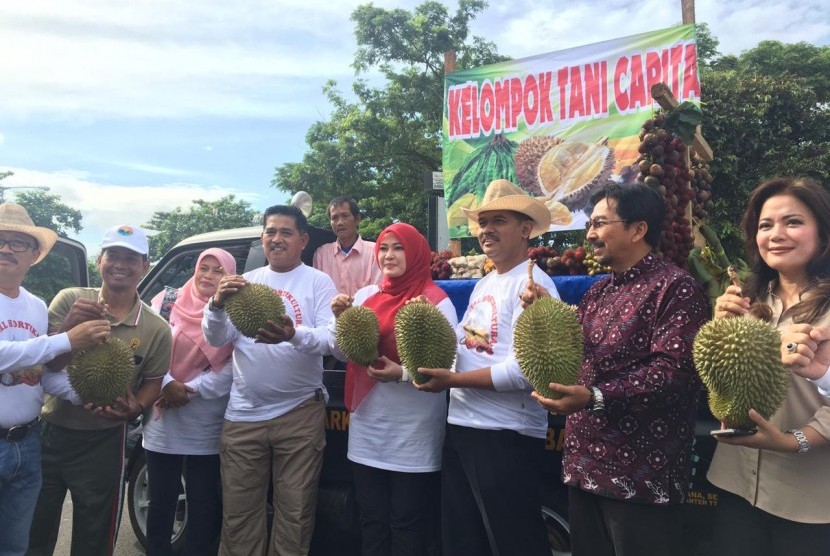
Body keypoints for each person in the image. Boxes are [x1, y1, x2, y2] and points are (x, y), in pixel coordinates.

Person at [532, 183, 709, 556]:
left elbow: (674, 371)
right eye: (590, 225)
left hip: (641, 476)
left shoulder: (675, 289)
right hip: (584, 466)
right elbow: (580, 349)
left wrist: (594, 396)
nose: (591, 234)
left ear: (637, 229)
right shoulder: (597, 293)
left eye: (599, 223)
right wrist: (549, 311)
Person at [414, 180, 557, 556]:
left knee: (514, 541)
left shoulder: (534, 286)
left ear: (526, 229)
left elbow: (527, 371)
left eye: (499, 220)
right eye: (482, 222)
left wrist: (454, 380)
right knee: (464, 541)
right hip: (463, 426)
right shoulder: (485, 283)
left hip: (505, 434)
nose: (486, 229)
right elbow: (469, 345)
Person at [198, 205, 337, 556]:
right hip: (243, 414)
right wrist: (215, 305)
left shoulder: (318, 282)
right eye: (270, 232)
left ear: (302, 240)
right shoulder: (247, 282)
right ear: (262, 238)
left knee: (296, 513)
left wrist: (293, 335)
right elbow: (217, 338)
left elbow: (331, 339)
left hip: (299, 413)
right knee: (239, 515)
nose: (277, 239)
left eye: (286, 232)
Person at [27, 225, 173, 556]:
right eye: (113, 255)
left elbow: (153, 381)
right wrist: (68, 330)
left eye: (131, 258)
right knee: (33, 528)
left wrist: (136, 407)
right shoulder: (69, 300)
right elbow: (45, 366)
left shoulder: (156, 328)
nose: (120, 264)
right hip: (49, 432)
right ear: (99, 260)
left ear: (145, 266)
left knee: (95, 536)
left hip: (105, 440)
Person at [707, 177, 830, 555]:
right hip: (734, 484)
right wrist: (718, 329)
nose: (776, 234)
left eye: (793, 222)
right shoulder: (746, 300)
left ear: (823, 233)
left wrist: (794, 442)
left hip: (808, 499)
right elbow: (718, 386)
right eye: (765, 225)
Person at [328, 222, 458, 556]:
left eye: (398, 247)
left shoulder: (436, 302)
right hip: (368, 431)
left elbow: (452, 366)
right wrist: (340, 319)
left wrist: (402, 372)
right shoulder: (366, 296)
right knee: (371, 521)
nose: (388, 255)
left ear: (415, 252)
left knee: (408, 524)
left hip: (413, 435)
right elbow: (342, 352)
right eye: (383, 248)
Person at [0, 203, 110, 556]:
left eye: (17, 242)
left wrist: (89, 396)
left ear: (34, 255)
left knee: (17, 545)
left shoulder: (35, 306)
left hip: (28, 445)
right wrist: (67, 340)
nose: (5, 249)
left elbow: (40, 375)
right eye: (0, 240)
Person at [142, 248, 237, 556]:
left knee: (203, 501)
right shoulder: (166, 301)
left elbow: (232, 369)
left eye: (217, 271)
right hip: (162, 416)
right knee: (161, 499)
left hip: (204, 420)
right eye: (203, 268)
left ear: (229, 277)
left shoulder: (234, 313)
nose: (208, 275)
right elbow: (147, 347)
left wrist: (189, 389)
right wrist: (168, 384)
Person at [313, 196, 382, 297]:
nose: (340, 223)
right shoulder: (321, 254)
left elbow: (377, 293)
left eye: (345, 216)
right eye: (334, 218)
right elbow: (317, 294)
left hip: (364, 312)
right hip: (328, 313)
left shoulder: (375, 252)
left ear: (357, 219)